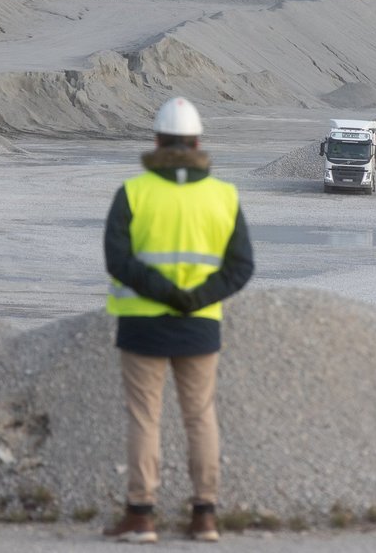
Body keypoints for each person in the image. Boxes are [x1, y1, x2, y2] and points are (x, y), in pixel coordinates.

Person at [102, 97, 254, 543]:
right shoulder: (224, 196)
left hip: (142, 324)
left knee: (145, 419)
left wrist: (164, 294)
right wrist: (194, 299)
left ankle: (141, 516)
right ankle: (205, 516)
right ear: (197, 142)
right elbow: (241, 266)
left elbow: (118, 259)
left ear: (157, 140)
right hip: (199, 327)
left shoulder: (133, 193)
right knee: (201, 417)